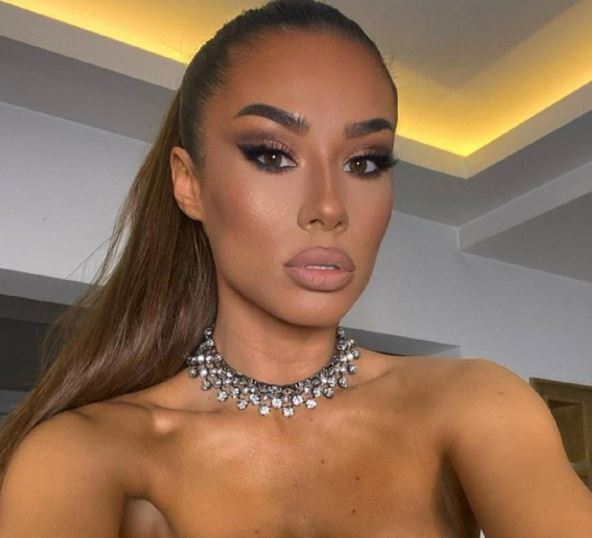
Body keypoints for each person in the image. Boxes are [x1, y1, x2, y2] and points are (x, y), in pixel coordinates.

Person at [1, 0, 591, 536]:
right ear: (189, 184)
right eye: (272, 154)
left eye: (365, 162)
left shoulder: (474, 402)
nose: (329, 207)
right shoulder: (83, 455)